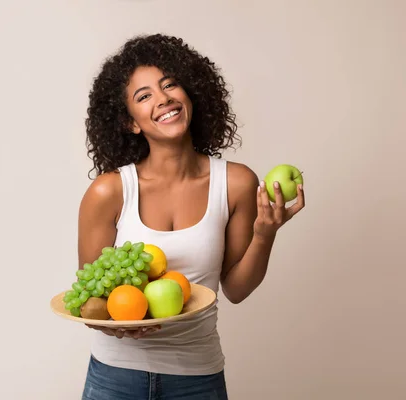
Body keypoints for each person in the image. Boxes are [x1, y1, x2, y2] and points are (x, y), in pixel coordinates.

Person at [76, 33, 305, 400]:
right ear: (130, 122)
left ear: (190, 94)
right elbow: (89, 301)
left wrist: (265, 233)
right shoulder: (109, 192)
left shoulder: (235, 182)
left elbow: (237, 290)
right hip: (115, 377)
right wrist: (118, 326)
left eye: (170, 85)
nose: (163, 98)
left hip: (197, 377)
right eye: (144, 95)